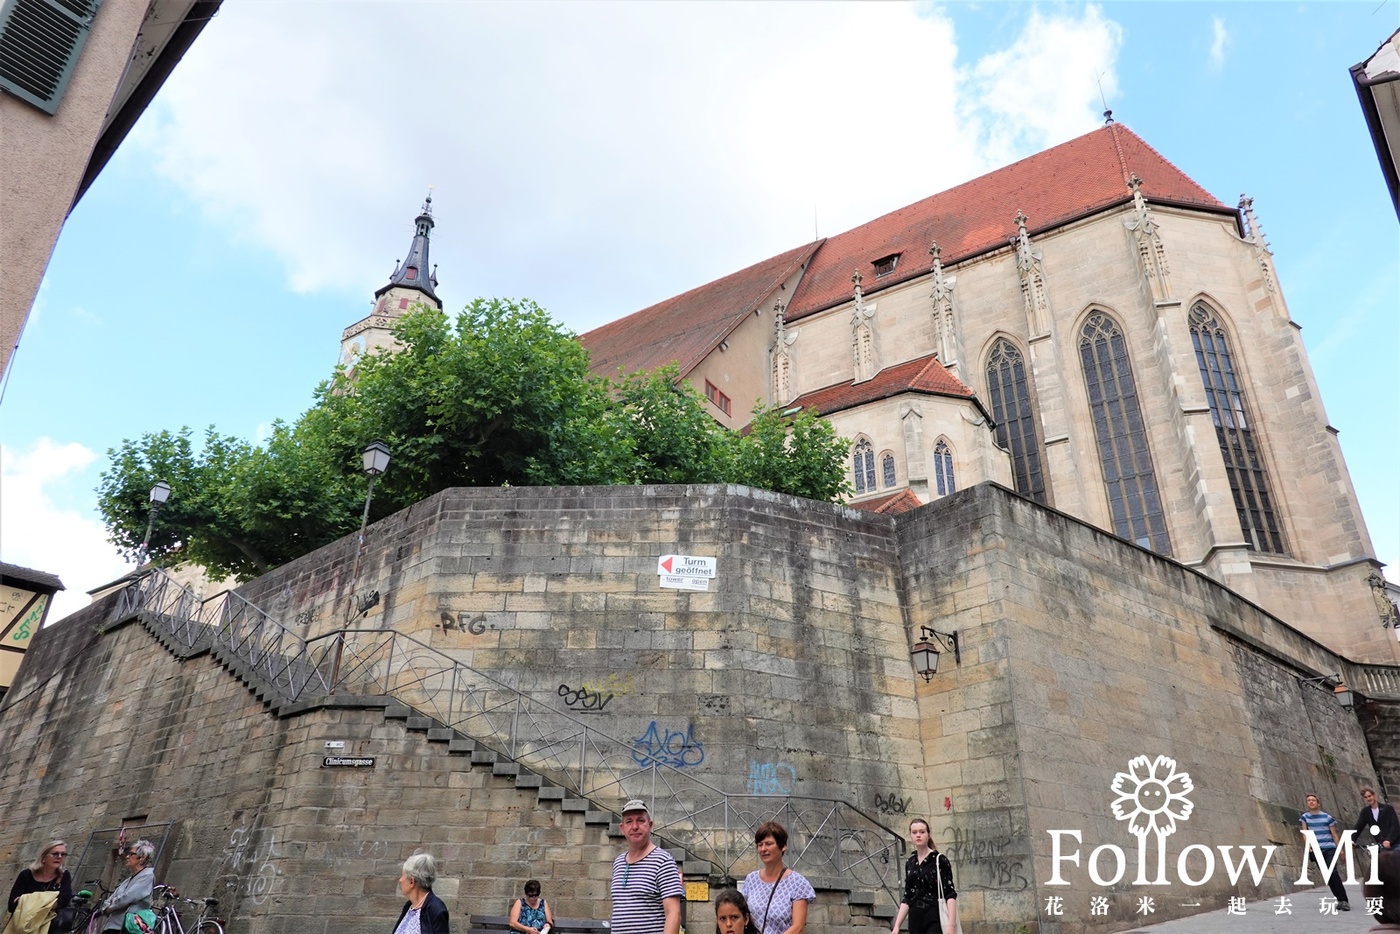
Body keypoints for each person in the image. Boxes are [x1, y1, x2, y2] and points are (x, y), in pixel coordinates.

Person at [609, 799, 683, 934]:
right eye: (629, 821)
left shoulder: (663, 861)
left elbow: (674, 913)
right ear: (622, 828)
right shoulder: (618, 863)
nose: (635, 826)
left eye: (640, 820)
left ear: (650, 825)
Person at [742, 822, 815, 934]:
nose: (763, 849)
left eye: (768, 844)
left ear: (783, 846)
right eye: (760, 844)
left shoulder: (798, 883)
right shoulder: (750, 880)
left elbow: (798, 927)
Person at [891, 818, 957, 934]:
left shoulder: (939, 860)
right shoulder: (910, 863)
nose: (918, 835)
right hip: (915, 917)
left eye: (922, 832)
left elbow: (950, 894)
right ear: (910, 835)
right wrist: (897, 926)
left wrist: (951, 925)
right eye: (914, 832)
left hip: (934, 915)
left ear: (928, 834)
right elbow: (907, 896)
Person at [1300, 794, 1351, 911]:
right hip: (1316, 850)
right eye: (1308, 800)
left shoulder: (1327, 817)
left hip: (1329, 848)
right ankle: (1339, 899)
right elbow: (1304, 833)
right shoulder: (1305, 818)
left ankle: (1344, 900)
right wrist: (1308, 846)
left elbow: (1334, 835)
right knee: (1327, 876)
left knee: (1333, 873)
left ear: (1318, 803)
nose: (1311, 802)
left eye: (1313, 800)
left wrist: (1340, 850)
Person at [98, 840, 155, 931]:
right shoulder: (128, 880)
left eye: (131, 854)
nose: (127, 857)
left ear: (142, 857)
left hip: (127, 927)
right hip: (112, 925)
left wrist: (110, 907)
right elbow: (112, 897)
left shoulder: (147, 876)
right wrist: (106, 907)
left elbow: (128, 897)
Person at [7, 839, 72, 915]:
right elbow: (12, 906)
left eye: (63, 854)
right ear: (44, 857)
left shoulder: (64, 875)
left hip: (48, 924)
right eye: (55, 854)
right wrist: (49, 903)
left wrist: (26, 901)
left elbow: (64, 901)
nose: (59, 857)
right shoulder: (26, 875)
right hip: (23, 923)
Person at [392, 853, 449, 934]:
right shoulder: (409, 906)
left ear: (412, 881)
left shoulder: (436, 910)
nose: (400, 880)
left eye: (402, 876)